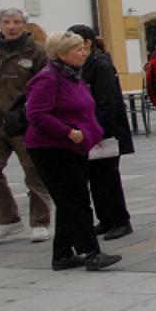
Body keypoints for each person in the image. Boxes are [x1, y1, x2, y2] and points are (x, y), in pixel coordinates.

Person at [25, 30, 121, 271]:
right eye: (78, 49)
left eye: (83, 48)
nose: (84, 52)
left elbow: (84, 109)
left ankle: (63, 255)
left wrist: (94, 133)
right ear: (62, 53)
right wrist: (67, 131)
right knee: (76, 202)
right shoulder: (48, 78)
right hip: (51, 148)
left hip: (74, 146)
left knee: (70, 200)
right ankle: (90, 252)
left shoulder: (72, 76)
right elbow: (36, 114)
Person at [0, 7, 52, 245]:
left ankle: (40, 221)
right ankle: (7, 219)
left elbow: (45, 85)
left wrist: (27, 111)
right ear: (0, 24)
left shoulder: (37, 51)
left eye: (16, 22)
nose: (11, 26)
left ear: (24, 25)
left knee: (34, 171)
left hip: (24, 120)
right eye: (7, 22)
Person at [68, 24, 134, 241]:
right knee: (96, 178)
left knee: (108, 177)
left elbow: (106, 101)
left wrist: (100, 131)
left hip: (105, 132)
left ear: (87, 43)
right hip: (92, 131)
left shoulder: (100, 65)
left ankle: (120, 220)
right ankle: (105, 219)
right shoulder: (84, 65)